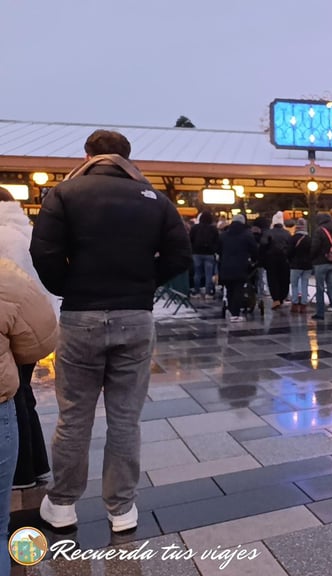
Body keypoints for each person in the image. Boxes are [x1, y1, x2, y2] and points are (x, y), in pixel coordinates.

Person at [29, 130, 191, 532]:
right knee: (125, 419)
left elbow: (43, 253)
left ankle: (62, 504)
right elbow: (179, 256)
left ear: (87, 155)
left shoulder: (64, 194)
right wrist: (142, 284)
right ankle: (122, 509)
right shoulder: (154, 198)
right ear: (126, 157)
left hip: (81, 315)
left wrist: (71, 287)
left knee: (74, 416)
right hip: (135, 316)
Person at [0, 186, 58, 574]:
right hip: (16, 337)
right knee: (21, 400)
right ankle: (30, 467)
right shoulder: (23, 233)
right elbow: (37, 309)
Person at [218, 214, 258, 321]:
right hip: (241, 265)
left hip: (225, 266)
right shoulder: (247, 235)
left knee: (230, 289)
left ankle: (232, 310)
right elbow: (255, 250)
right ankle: (235, 313)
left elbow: (218, 249)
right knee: (238, 289)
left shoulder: (224, 235)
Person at [310, 213, 332, 321]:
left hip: (320, 263)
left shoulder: (319, 231)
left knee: (320, 288)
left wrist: (312, 258)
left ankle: (320, 313)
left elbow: (315, 247)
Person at [262, 211, 293, 309]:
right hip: (284, 259)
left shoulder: (268, 233)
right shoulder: (287, 233)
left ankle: (276, 299)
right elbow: (291, 247)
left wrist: (263, 259)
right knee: (284, 279)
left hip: (271, 259)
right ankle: (281, 297)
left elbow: (263, 245)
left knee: (272, 279)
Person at [189, 211, 220, 298]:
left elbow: (190, 239)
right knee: (208, 274)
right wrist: (214, 250)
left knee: (197, 273)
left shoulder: (195, 228)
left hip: (196, 253)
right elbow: (217, 240)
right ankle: (207, 292)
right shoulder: (213, 229)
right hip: (209, 253)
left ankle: (197, 291)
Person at [287, 218, 313, 313]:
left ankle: (294, 303)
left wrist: (290, 259)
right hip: (307, 265)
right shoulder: (309, 239)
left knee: (294, 284)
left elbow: (289, 252)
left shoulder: (293, 238)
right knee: (304, 284)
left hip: (295, 265)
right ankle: (303, 304)